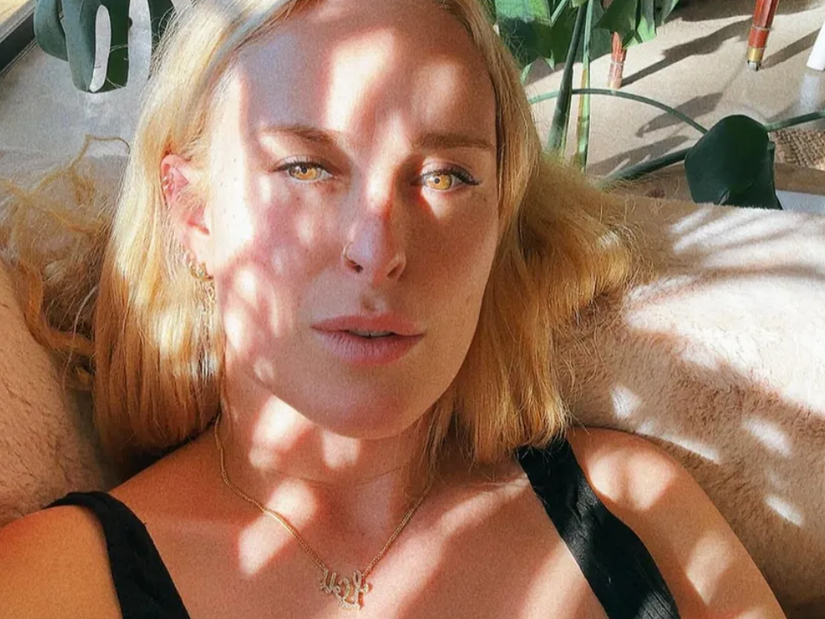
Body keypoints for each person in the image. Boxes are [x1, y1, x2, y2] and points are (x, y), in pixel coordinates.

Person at [0, 0, 786, 617]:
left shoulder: (633, 507)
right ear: (194, 213)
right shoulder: (54, 584)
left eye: (445, 175)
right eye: (306, 168)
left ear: (499, 217)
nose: (377, 251)